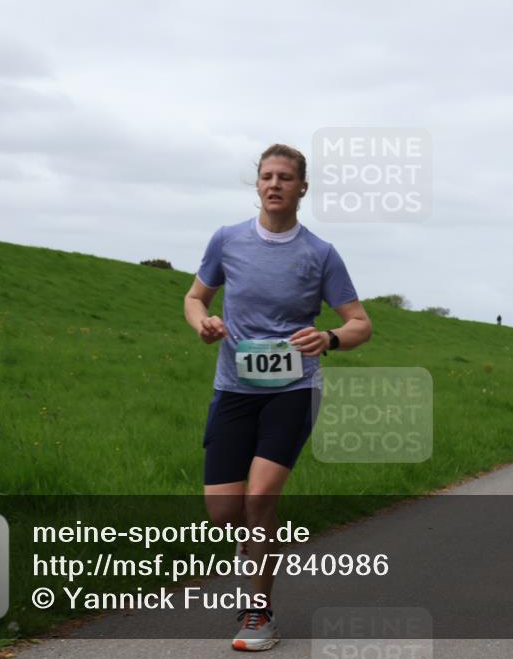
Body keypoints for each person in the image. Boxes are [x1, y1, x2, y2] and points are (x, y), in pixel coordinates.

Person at [184, 144, 372, 651]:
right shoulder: (227, 241)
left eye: (285, 177)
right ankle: (260, 553)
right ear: (257, 185)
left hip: (295, 387)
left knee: (260, 497)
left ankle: (258, 613)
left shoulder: (320, 253)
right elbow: (195, 296)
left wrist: (328, 338)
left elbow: (360, 323)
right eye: (266, 176)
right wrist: (203, 322)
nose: (274, 184)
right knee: (225, 511)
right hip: (234, 387)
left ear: (302, 188)